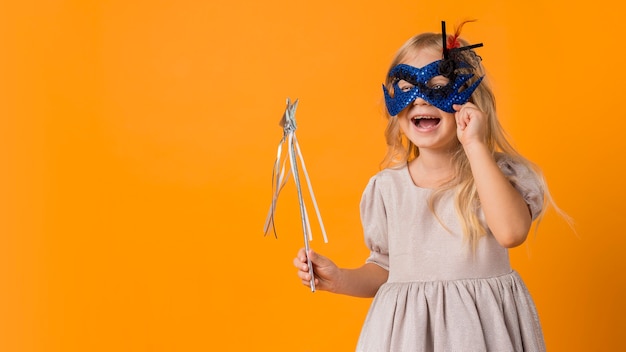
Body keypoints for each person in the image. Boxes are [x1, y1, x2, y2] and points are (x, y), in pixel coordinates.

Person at [294, 21, 555, 351]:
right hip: (407, 337)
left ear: (469, 99)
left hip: (481, 334)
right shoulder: (387, 189)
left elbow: (512, 232)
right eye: (406, 89)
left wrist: (475, 145)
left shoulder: (496, 177)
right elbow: (386, 269)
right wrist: (340, 278)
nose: (419, 100)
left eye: (438, 88)